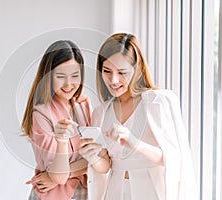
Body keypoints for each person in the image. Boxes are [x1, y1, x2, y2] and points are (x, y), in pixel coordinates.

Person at [82, 33, 197, 200]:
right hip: (114, 191)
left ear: (137, 69)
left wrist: (133, 142)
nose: (113, 80)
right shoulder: (101, 112)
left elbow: (172, 157)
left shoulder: (157, 101)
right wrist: (92, 155)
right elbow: (105, 167)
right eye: (107, 71)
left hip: (150, 191)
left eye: (122, 72)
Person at [22, 40, 98, 200]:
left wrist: (57, 175)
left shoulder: (83, 105)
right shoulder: (41, 114)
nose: (69, 84)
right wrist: (58, 175)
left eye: (75, 75)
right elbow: (60, 177)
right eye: (61, 76)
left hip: (86, 192)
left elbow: (98, 158)